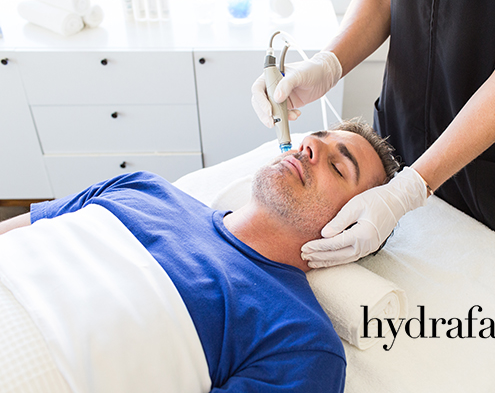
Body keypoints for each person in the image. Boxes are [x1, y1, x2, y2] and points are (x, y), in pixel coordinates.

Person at [0, 121, 399, 392]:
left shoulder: (300, 340)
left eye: (337, 166)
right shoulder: (142, 187)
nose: (309, 145)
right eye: (317, 137)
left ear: (352, 228)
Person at [251, 0, 495, 267]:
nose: (309, 146)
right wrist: (329, 63)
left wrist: (412, 187)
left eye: (338, 166)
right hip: (402, 119)